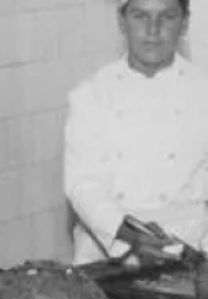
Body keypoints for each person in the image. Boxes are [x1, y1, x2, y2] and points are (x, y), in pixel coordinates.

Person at [65, 0, 207, 264]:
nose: (153, 30)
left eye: (167, 17)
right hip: (106, 253)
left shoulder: (203, 93)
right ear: (121, 22)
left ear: (185, 23)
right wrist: (133, 237)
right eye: (140, 16)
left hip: (191, 252)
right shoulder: (91, 95)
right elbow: (83, 185)